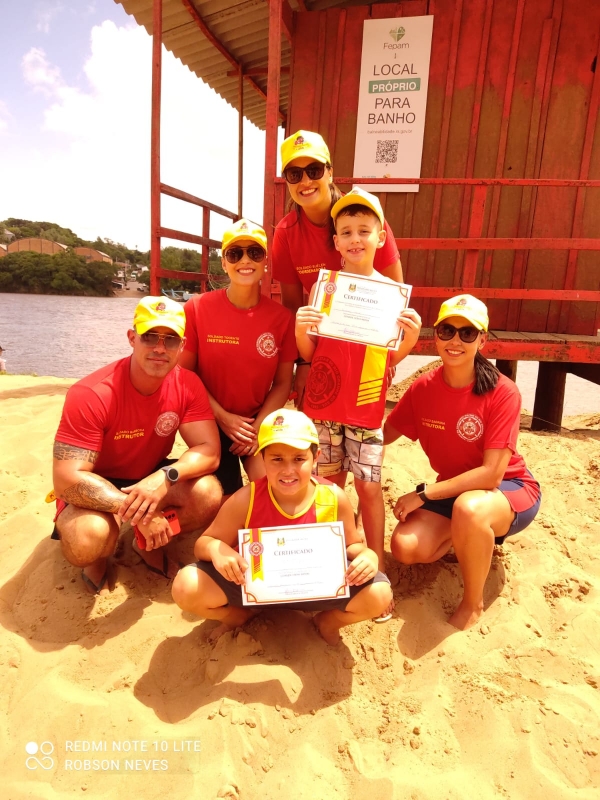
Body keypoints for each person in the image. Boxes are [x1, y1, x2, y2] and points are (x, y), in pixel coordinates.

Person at [383, 294, 542, 630]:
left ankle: (472, 603)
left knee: (470, 510)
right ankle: (467, 539)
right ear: (436, 336)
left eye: (467, 333)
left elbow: (491, 475)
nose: (455, 341)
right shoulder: (422, 388)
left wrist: (423, 494)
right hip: (454, 490)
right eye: (447, 331)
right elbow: (381, 437)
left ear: (482, 340)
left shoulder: (503, 391)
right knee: (404, 547)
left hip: (508, 488)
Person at [172, 409, 392, 645]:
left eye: (299, 459)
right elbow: (203, 544)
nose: (288, 470)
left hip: (315, 591)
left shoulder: (333, 497)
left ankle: (327, 622)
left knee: (379, 594)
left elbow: (351, 546)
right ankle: (238, 616)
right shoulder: (246, 499)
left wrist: (368, 555)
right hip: (253, 588)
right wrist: (217, 550)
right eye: (277, 459)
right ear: (262, 459)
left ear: (315, 458)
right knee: (186, 586)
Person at [52, 296, 222, 594]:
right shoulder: (91, 393)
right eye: (150, 336)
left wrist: (165, 477)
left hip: (148, 474)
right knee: (87, 540)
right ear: (132, 338)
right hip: (96, 480)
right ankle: (101, 556)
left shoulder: (187, 384)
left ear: (182, 346)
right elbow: (66, 478)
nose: (160, 348)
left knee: (208, 494)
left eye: (170, 339)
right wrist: (139, 513)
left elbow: (209, 450)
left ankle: (146, 543)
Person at [294, 188, 422, 585]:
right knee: (328, 486)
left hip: (366, 407)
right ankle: (326, 565)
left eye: (364, 231)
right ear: (336, 241)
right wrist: (300, 329)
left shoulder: (391, 296)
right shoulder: (324, 289)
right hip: (323, 407)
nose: (355, 239)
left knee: (369, 488)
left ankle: (377, 569)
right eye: (346, 232)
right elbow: (310, 352)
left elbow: (389, 360)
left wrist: (411, 340)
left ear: (380, 237)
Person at [271, 130, 404, 407]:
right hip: (321, 347)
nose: (305, 181)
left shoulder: (364, 215)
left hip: (368, 344)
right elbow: (293, 306)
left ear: (330, 172)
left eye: (314, 170)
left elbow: (394, 294)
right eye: (294, 174)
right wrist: (304, 363)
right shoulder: (286, 232)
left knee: (361, 422)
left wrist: (386, 352)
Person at [180, 219, 297, 496]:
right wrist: (222, 417)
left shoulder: (282, 319)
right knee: (223, 494)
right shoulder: (197, 308)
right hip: (207, 416)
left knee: (272, 488)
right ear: (224, 263)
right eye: (235, 254)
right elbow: (185, 375)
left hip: (255, 420)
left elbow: (283, 383)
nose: (245, 260)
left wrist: (258, 427)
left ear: (265, 262)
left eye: (254, 253)